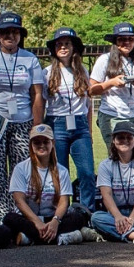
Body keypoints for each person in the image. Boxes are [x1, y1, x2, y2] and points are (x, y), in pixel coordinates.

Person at [0, 11, 45, 225]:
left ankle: (19, 216)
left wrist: (37, 126)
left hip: (22, 121)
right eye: (5, 32)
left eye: (14, 32)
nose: (10, 36)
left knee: (21, 170)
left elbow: (37, 94)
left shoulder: (29, 59)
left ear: (21, 35)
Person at [5, 124, 90, 245]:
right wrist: (37, 223)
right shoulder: (21, 168)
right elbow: (19, 201)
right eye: (37, 142)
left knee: (78, 217)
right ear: (31, 145)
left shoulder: (62, 171)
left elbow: (64, 201)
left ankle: (30, 238)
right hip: (30, 218)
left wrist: (55, 222)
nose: (41, 145)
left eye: (45, 142)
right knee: (9, 219)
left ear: (53, 143)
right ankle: (61, 238)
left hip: (53, 218)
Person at [43, 27, 95, 210]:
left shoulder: (82, 71)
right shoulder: (47, 73)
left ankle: (86, 211)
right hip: (57, 123)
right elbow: (42, 103)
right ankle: (60, 211)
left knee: (87, 172)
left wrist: (89, 130)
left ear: (74, 48)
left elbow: (89, 105)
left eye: (67, 44)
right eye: (59, 44)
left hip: (80, 125)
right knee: (60, 172)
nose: (63, 48)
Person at [90, 121, 134, 244]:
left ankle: (114, 233)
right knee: (96, 218)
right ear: (113, 140)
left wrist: (132, 219)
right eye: (120, 137)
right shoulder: (105, 165)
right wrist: (117, 217)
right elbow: (106, 196)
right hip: (116, 212)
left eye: (129, 137)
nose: (125, 141)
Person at [88, 22, 134, 147]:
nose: (127, 42)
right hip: (112, 115)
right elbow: (91, 90)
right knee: (115, 155)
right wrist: (112, 83)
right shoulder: (105, 59)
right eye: (122, 39)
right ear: (115, 42)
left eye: (131, 39)